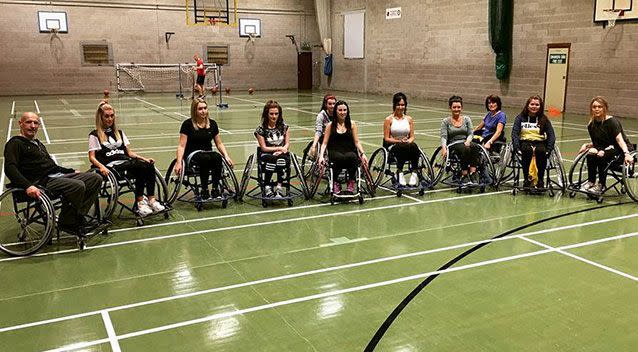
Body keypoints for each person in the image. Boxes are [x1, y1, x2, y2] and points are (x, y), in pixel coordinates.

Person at [4, 112, 102, 233]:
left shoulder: (38, 144)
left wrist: (71, 171)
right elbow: (10, 168)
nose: (33, 126)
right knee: (77, 185)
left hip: (54, 177)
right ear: (20, 124)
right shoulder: (15, 143)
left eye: (36, 123)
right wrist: (28, 186)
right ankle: (67, 222)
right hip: (39, 183)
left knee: (95, 178)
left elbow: (53, 167)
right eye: (29, 122)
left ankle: (78, 216)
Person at [89, 102, 165, 216]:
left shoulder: (119, 133)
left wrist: (144, 158)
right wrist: (101, 167)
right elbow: (92, 157)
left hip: (126, 162)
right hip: (111, 166)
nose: (110, 119)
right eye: (107, 116)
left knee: (148, 165)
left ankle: (151, 199)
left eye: (112, 116)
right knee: (138, 167)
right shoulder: (94, 135)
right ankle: (140, 202)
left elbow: (129, 153)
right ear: (100, 117)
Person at [175, 98, 234, 200]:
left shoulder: (212, 124)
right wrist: (179, 162)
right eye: (200, 109)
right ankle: (204, 189)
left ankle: (215, 189)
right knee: (204, 158)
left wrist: (226, 156)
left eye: (205, 108)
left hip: (208, 152)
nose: (203, 111)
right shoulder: (187, 124)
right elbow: (181, 146)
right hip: (192, 154)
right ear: (195, 111)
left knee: (217, 157)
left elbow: (219, 143)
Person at [577, 96, 634, 194]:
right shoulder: (591, 125)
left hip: (620, 149)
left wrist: (627, 153)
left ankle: (601, 185)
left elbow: (619, 141)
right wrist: (587, 145)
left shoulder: (612, 122)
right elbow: (598, 143)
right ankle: (591, 181)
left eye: (600, 107)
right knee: (591, 154)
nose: (597, 109)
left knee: (601, 154)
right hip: (606, 148)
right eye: (594, 107)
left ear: (605, 108)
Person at [318, 100, 367, 194]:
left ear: (347, 111)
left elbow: (357, 141)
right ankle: (335, 182)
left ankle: (351, 181)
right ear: (336, 111)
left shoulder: (352, 124)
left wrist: (363, 153)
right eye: (340, 110)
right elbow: (324, 143)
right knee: (339, 158)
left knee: (353, 157)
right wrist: (321, 156)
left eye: (345, 110)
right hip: (334, 150)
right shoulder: (330, 125)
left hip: (349, 150)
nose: (342, 112)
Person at [511, 95, 556, 189]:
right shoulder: (520, 118)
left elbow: (551, 135)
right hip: (525, 141)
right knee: (527, 151)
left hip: (539, 142)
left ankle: (540, 180)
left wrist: (549, 149)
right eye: (532, 104)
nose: (534, 106)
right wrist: (516, 147)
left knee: (541, 152)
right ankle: (527, 179)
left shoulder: (544, 119)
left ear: (540, 106)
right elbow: (514, 133)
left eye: (537, 104)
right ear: (527, 105)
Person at [440, 95, 480, 182]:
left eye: (459, 107)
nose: (456, 109)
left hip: (465, 141)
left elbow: (470, 133)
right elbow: (444, 136)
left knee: (475, 146)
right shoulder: (445, 121)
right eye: (454, 107)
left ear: (461, 107)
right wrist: (443, 148)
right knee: (465, 149)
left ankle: (473, 173)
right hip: (453, 144)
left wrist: (469, 140)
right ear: (450, 108)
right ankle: (464, 173)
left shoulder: (466, 119)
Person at [255, 100, 291, 198]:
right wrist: (278, 148)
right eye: (271, 114)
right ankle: (267, 186)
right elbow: (264, 147)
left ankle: (279, 187)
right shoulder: (260, 130)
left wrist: (281, 150)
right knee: (272, 159)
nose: (274, 116)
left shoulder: (285, 127)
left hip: (281, 153)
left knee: (281, 159)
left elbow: (287, 144)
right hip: (266, 154)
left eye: (276, 114)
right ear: (266, 114)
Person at [383, 92, 420, 186]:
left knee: (414, 146)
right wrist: (399, 141)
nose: (400, 107)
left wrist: (408, 141)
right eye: (398, 105)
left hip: (407, 144)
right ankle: (399, 172)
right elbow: (386, 138)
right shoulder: (389, 119)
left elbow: (412, 136)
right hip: (393, 145)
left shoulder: (409, 119)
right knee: (402, 147)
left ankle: (415, 172)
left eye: (403, 105)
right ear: (394, 105)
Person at [307, 94, 336, 159]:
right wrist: (314, 146)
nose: (332, 106)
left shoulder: (338, 113)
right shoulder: (321, 116)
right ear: (326, 105)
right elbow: (318, 131)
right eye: (330, 104)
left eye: (334, 104)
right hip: (324, 137)